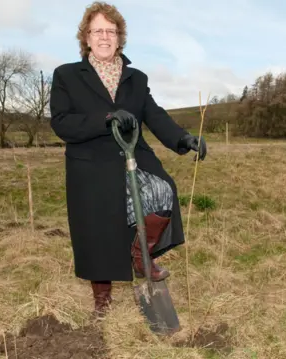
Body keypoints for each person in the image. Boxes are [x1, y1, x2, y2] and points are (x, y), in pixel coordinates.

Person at [49, 1, 207, 318]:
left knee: (163, 190)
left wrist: (183, 138)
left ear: (120, 37)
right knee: (97, 229)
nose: (104, 37)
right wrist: (107, 118)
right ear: (86, 38)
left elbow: (154, 115)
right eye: (97, 31)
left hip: (132, 153)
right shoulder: (67, 75)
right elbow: (62, 122)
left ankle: (140, 256)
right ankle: (102, 298)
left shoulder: (136, 78)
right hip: (90, 163)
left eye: (111, 31)